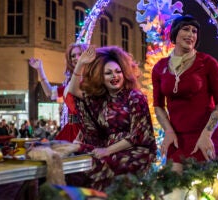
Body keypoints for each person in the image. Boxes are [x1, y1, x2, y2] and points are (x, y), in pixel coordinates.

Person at [65, 45, 157, 191]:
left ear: (125, 73)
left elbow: (137, 136)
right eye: (108, 73)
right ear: (101, 77)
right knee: (72, 165)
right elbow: (73, 90)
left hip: (135, 150)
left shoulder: (135, 97)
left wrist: (107, 151)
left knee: (95, 167)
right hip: (107, 148)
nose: (114, 76)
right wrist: (81, 63)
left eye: (118, 71)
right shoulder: (101, 99)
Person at [152, 15, 218, 173]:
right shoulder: (159, 67)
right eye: (185, 29)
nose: (191, 34)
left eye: (194, 31)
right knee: (173, 190)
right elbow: (158, 106)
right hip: (177, 138)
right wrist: (169, 131)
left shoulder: (208, 62)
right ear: (174, 33)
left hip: (205, 134)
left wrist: (207, 134)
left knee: (199, 190)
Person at [29, 43, 88, 142]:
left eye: (79, 54)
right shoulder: (69, 84)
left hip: (85, 130)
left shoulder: (91, 81)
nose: (75, 58)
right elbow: (49, 93)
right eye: (73, 55)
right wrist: (40, 69)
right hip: (70, 129)